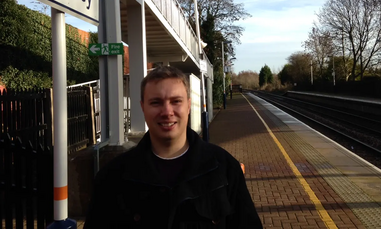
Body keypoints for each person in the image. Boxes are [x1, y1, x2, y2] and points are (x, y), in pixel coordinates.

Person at [84, 66, 262, 228]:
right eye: (156, 102)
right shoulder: (112, 178)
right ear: (142, 107)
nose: (167, 112)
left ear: (188, 106)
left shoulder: (225, 169)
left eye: (176, 101)